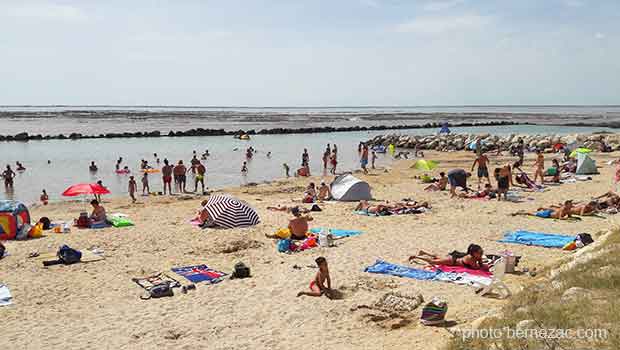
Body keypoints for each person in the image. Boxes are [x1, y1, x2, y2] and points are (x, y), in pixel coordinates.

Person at [409, 244, 489, 271]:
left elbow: (480, 265)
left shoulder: (476, 257)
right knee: (433, 262)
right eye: (480, 252)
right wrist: (484, 265)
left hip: (453, 258)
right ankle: (416, 257)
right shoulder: (470, 258)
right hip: (452, 261)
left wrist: (481, 261)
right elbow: (476, 268)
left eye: (481, 252)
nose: (481, 253)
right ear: (474, 253)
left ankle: (424, 252)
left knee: (437, 256)